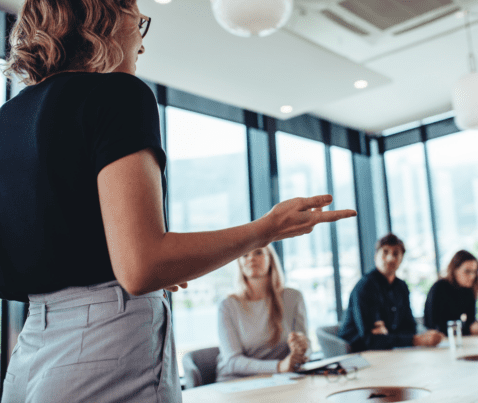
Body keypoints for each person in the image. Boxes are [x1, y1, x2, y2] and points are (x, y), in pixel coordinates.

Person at [0, 1, 355, 401]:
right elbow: (141, 267)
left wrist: (121, 264)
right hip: (105, 340)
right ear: (107, 17)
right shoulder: (117, 94)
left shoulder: (8, 118)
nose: (142, 44)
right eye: (141, 23)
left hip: (29, 350)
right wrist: (267, 229)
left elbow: (43, 250)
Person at [216, 245, 309, 382]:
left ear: (271, 259)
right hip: (237, 381)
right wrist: (279, 366)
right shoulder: (228, 305)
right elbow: (232, 362)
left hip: (281, 379)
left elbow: (306, 345)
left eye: (258, 253)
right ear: (239, 263)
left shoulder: (293, 297)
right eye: (245, 255)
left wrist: (302, 350)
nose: (252, 258)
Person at [338, 234, 443, 352]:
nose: (390, 258)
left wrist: (388, 333)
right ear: (375, 256)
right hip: (356, 353)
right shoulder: (365, 287)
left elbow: (409, 327)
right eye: (385, 252)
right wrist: (414, 340)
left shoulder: (401, 286)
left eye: (396, 253)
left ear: (402, 258)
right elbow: (370, 339)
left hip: (387, 350)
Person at [424, 250, 478, 337]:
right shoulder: (439, 288)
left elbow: (470, 320)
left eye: (474, 272)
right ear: (455, 270)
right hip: (440, 340)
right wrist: (469, 330)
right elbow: (435, 326)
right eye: (467, 271)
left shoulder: (468, 291)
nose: (472, 276)